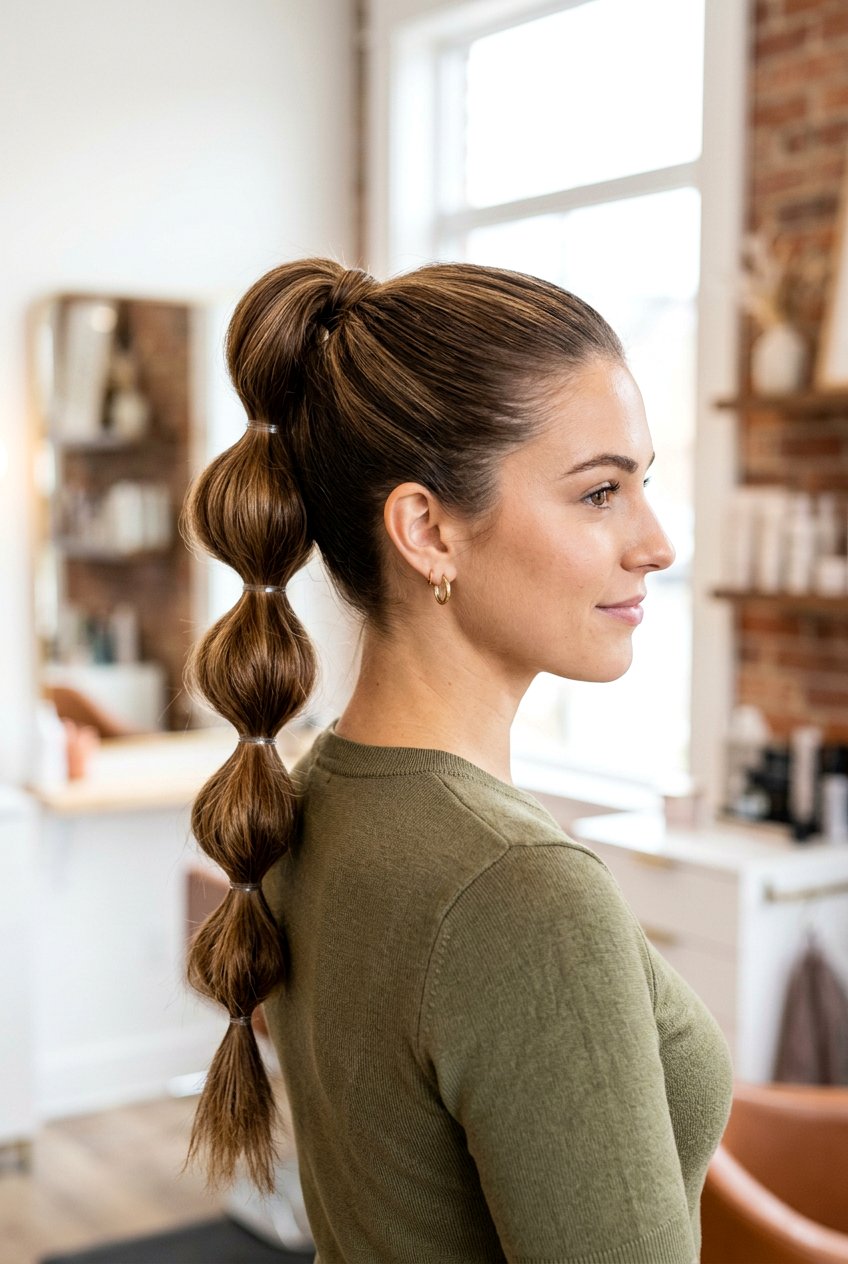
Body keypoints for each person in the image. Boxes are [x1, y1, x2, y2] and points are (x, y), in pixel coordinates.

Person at [179, 257, 734, 1263]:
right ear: (427, 529)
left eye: (642, 483)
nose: (654, 541)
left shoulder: (308, 802)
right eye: (600, 491)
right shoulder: (520, 893)